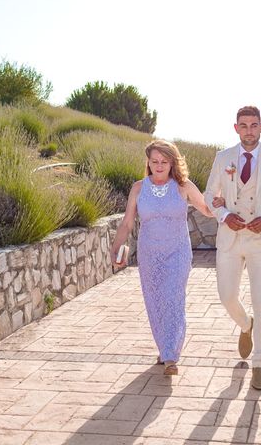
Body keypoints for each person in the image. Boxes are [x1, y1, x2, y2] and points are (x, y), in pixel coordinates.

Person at [110, 140, 223, 376]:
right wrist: (116, 249)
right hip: (149, 254)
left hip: (178, 252)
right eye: (154, 162)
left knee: (173, 298)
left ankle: (171, 356)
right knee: (155, 302)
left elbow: (207, 210)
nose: (159, 166)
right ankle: (164, 347)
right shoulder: (138, 188)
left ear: (172, 163)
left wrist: (219, 196)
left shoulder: (183, 186)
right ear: (148, 162)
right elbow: (127, 223)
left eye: (164, 161)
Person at [204, 105, 261, 390]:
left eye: (253, 125)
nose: (249, 131)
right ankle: (246, 325)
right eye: (243, 126)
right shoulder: (223, 158)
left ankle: (259, 362)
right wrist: (223, 215)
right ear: (236, 128)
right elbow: (209, 194)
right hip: (230, 239)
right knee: (227, 296)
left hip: (260, 241)